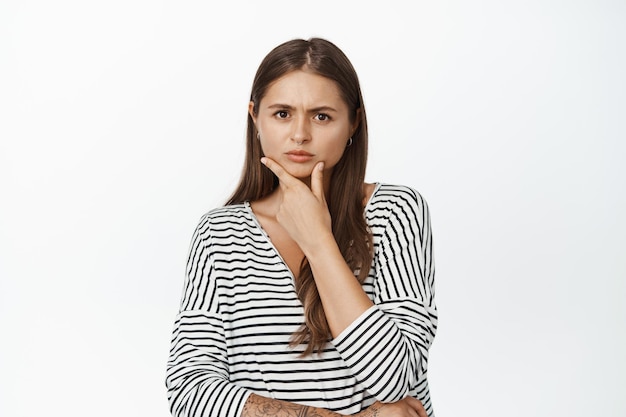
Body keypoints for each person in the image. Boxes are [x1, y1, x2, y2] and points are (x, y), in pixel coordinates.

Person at [166, 38, 437, 417]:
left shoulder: (395, 211)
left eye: (322, 116)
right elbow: (189, 390)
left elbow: (394, 378)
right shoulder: (220, 233)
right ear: (255, 117)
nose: (300, 134)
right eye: (282, 114)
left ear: (353, 123)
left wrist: (318, 240)